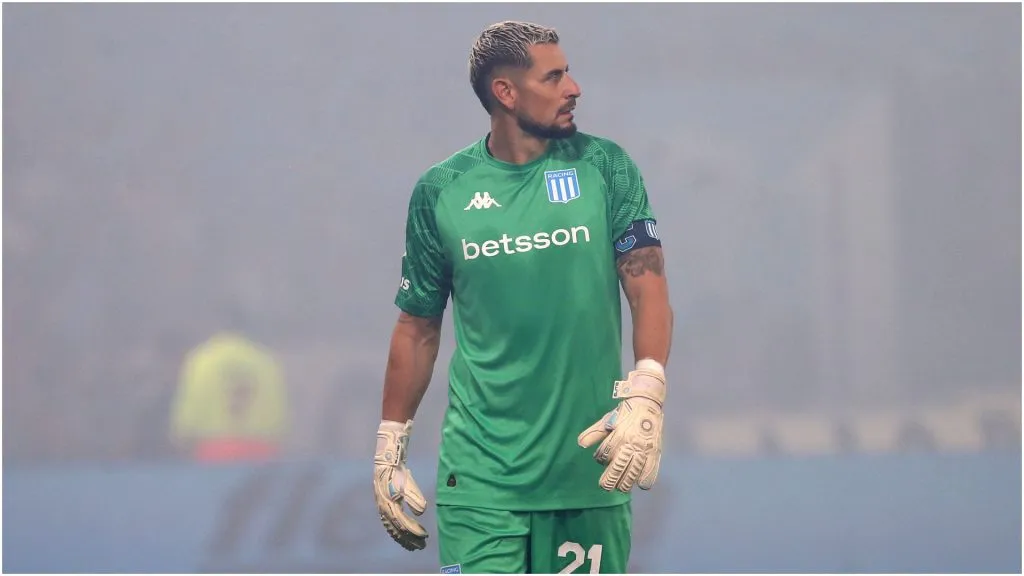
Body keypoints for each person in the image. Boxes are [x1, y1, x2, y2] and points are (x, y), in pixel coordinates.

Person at [373, 20, 674, 574]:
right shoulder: (441, 190)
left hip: (590, 468)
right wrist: (390, 445)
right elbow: (416, 325)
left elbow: (647, 282)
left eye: (569, 71)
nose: (574, 87)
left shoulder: (606, 168)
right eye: (554, 76)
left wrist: (647, 388)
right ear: (505, 92)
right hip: (481, 478)